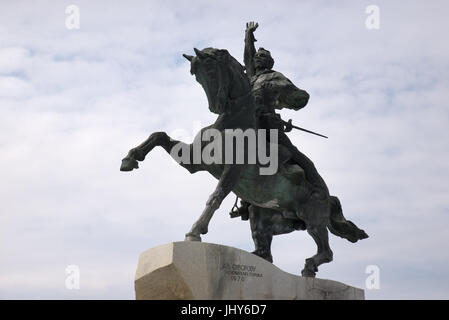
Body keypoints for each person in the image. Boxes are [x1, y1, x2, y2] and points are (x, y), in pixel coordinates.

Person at [231, 22, 328, 220]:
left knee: (291, 152)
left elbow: (292, 93)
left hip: (268, 122)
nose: (258, 59)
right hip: (250, 123)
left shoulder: (275, 77)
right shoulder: (250, 78)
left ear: (270, 62)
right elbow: (247, 56)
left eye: (263, 57)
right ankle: (245, 199)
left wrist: (295, 98)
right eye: (257, 57)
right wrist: (248, 35)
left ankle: (316, 184)